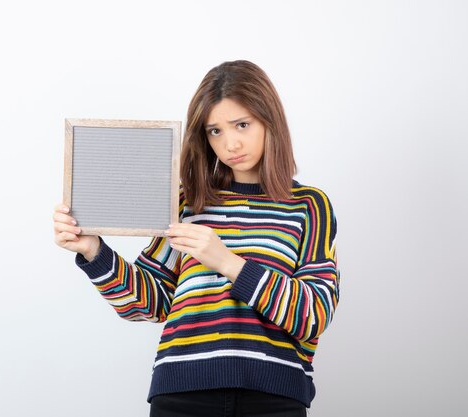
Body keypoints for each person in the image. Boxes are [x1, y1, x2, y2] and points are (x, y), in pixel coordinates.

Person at [53, 60, 340, 417]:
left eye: (242, 125)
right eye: (214, 131)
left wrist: (228, 262)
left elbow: (313, 314)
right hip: (181, 393)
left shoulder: (309, 206)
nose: (230, 143)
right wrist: (94, 252)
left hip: (274, 396)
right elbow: (150, 303)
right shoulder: (187, 201)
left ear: (271, 121)